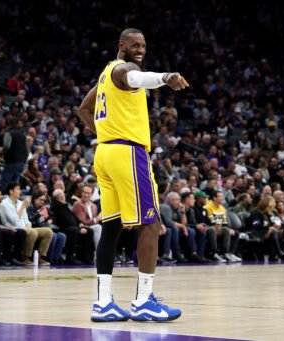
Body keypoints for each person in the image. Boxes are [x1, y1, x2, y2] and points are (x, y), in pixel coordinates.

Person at [76, 28, 188, 322]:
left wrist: (105, 131)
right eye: (134, 44)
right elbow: (134, 77)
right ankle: (143, 301)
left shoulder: (104, 76)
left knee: (111, 227)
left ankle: (103, 303)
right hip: (127, 152)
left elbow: (83, 110)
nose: (140, 49)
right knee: (151, 223)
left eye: (144, 45)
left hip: (105, 153)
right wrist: (164, 77)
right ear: (121, 45)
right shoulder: (124, 70)